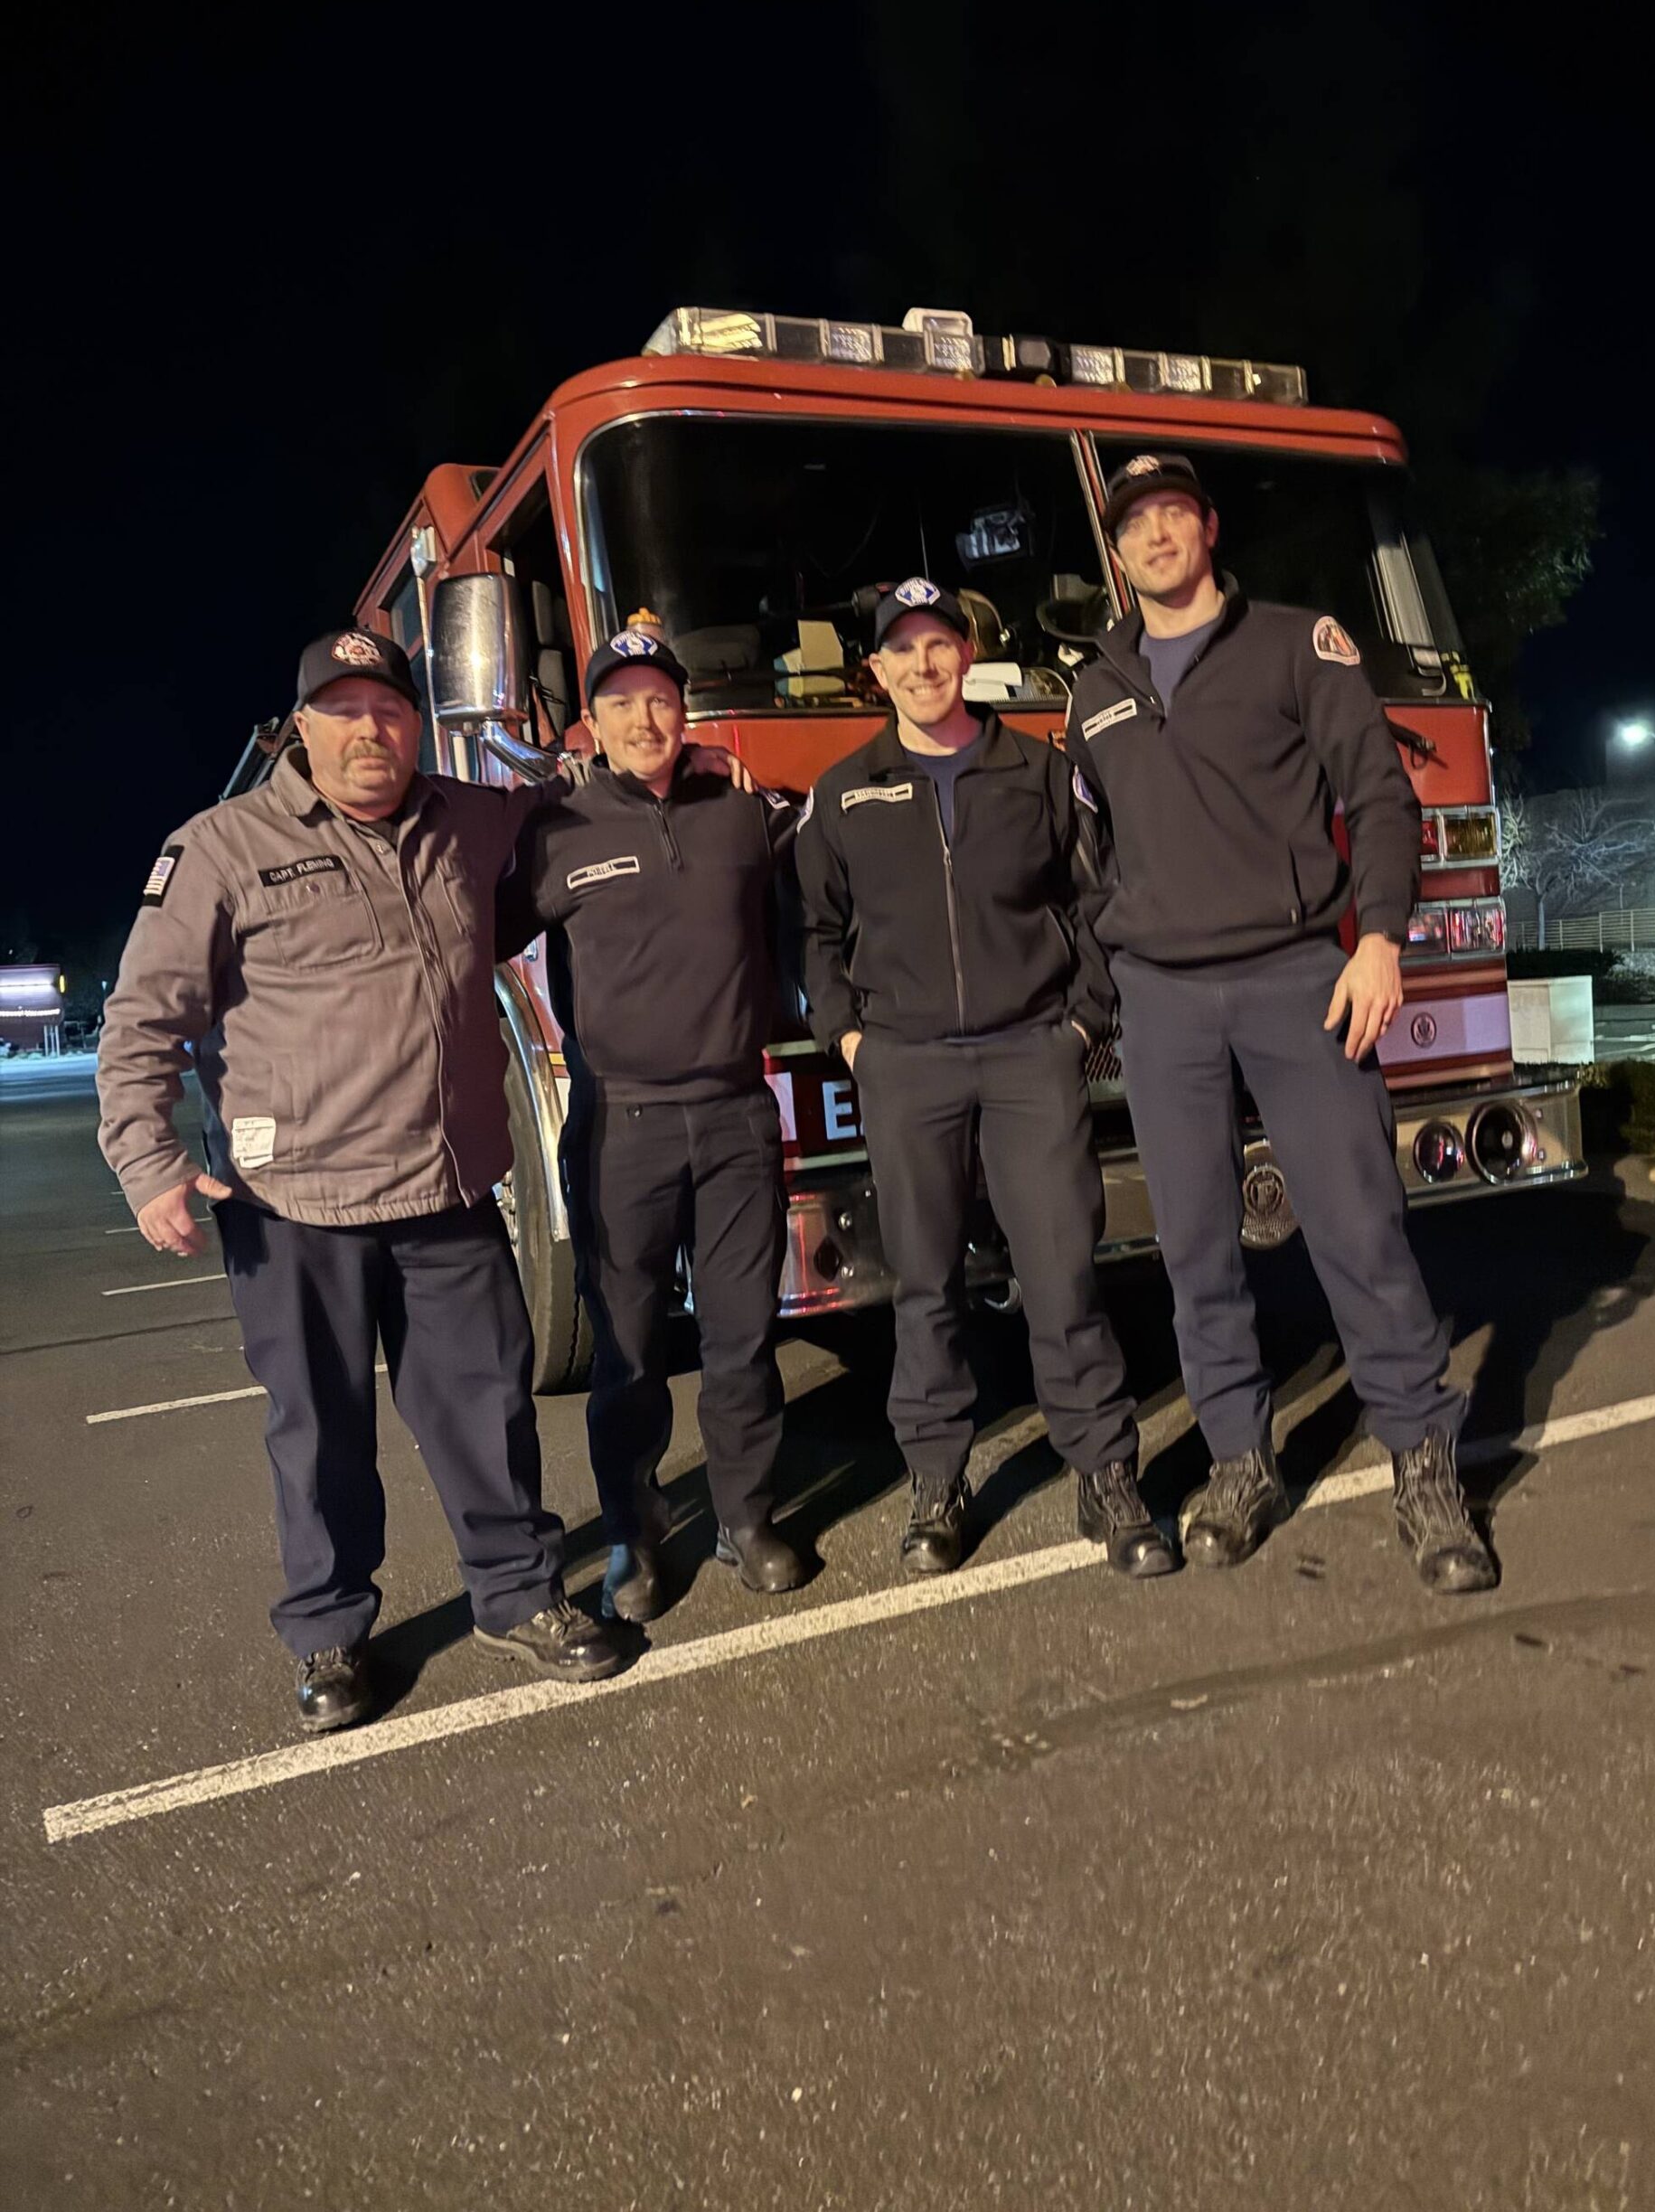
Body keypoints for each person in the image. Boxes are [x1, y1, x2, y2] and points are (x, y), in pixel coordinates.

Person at [96, 628, 637, 1734]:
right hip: (295, 1211)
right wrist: (148, 1162)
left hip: (445, 1196)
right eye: (342, 712)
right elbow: (140, 1016)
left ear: (411, 721)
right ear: (303, 727)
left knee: (490, 1412)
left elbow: (563, 818)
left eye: (387, 709)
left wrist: (629, 767)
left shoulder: (463, 818)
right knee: (319, 1430)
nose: (370, 732)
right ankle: (331, 1635)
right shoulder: (221, 847)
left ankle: (520, 1594)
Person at [1067, 454, 1495, 1593]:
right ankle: (1239, 1459)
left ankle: (1423, 1463)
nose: (1155, 537)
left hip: (1299, 979)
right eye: (1134, 526)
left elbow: (1380, 793)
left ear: (1207, 527)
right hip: (1164, 1003)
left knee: (1360, 1230)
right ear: (1115, 554)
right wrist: (1111, 978)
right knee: (1196, 1249)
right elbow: (1089, 854)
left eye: (1172, 515)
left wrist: (1380, 937)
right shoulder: (1093, 686)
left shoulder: (1299, 645)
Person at [797, 578, 1177, 1581]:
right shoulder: (843, 793)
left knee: (1064, 1274)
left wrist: (1086, 1022)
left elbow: (1102, 898)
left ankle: (1105, 1470)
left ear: (966, 655)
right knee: (923, 1284)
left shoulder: (1040, 774)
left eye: (938, 645)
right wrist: (849, 1041)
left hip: (1028, 1059)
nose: (922, 665)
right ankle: (937, 1480)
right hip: (904, 1064)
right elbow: (814, 935)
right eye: (901, 651)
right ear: (873, 670)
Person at [496, 628, 808, 1624]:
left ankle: (746, 1517)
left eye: (660, 699)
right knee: (628, 1349)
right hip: (619, 1125)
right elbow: (471, 939)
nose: (644, 718)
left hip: (734, 1117)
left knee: (742, 1333)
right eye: (621, 702)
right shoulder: (558, 833)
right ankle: (636, 1534)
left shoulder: (745, 815)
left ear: (685, 711)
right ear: (591, 722)